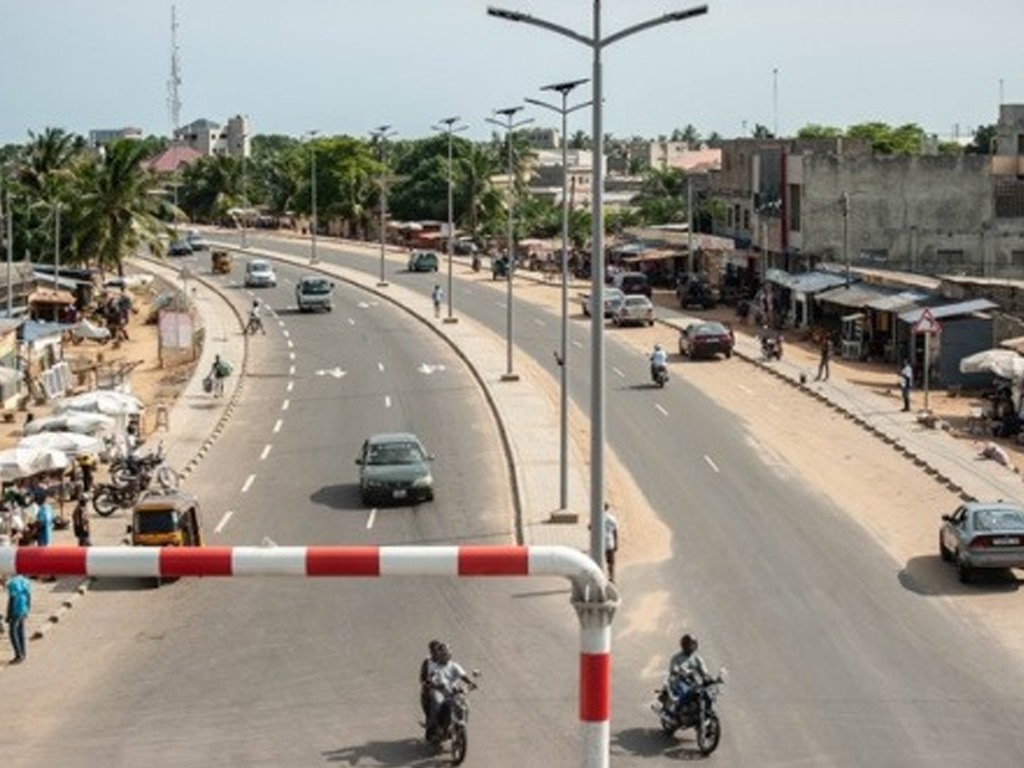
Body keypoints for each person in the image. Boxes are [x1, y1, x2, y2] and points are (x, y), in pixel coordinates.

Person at [423, 642, 475, 743]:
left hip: (453, 691)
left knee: (465, 704)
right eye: (442, 655)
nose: (444, 657)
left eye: (446, 654)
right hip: (440, 691)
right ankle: (433, 727)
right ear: (439, 655)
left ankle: (461, 723)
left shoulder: (454, 665)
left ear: (450, 655)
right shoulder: (434, 667)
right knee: (437, 703)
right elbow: (431, 678)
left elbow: (463, 675)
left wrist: (470, 683)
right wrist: (433, 683)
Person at [666, 633, 712, 715]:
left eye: (694, 644)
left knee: (707, 693)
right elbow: (674, 669)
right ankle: (676, 711)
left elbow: (703, 669)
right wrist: (680, 672)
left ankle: (705, 711)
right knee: (685, 692)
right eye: (691, 645)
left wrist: (707, 677)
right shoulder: (676, 658)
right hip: (679, 682)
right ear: (685, 645)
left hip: (693, 683)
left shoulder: (697, 658)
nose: (693, 647)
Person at [6, 573, 32, 663]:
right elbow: (29, 596)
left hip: (15, 609)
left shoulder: (12, 583)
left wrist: (8, 614)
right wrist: (28, 609)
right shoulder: (25, 581)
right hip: (23, 608)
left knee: (12, 633)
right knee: (21, 631)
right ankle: (23, 653)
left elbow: (11, 600)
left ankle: (18, 655)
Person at [603, 503, 619, 582]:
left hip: (599, 544)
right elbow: (615, 532)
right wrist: (616, 543)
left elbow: (590, 527)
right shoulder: (612, 518)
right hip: (610, 542)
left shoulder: (595, 516)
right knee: (611, 562)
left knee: (598, 561)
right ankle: (611, 577)